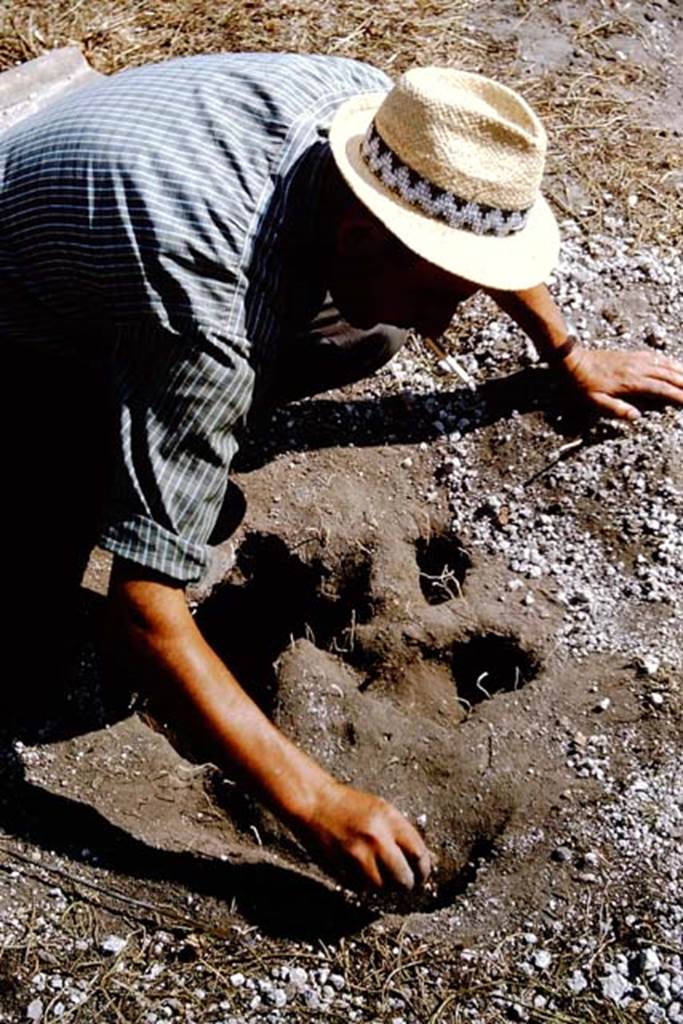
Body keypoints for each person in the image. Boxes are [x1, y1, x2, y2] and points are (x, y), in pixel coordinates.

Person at [2, 53, 681, 893]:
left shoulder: (385, 125)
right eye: (444, 291)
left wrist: (568, 352)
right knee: (35, 652)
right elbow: (142, 616)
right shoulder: (205, 307)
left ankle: (173, 437)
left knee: (372, 330)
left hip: (121, 230)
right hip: (26, 318)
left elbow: (476, 230)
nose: (443, 327)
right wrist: (313, 801)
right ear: (363, 232)